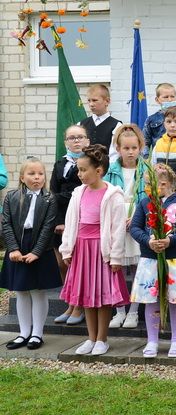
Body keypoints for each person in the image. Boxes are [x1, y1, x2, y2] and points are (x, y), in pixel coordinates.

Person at [59, 145, 131, 356]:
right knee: (86, 295)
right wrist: (67, 249)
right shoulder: (77, 193)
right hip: (82, 248)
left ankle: (102, 339)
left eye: (83, 170)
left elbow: (117, 228)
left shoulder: (113, 195)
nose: (79, 174)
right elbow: (71, 221)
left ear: (98, 171)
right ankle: (90, 338)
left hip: (102, 251)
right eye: (78, 170)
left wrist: (116, 255)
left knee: (102, 295)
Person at [130, 164, 176, 358]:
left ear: (170, 184)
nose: (154, 189)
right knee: (152, 301)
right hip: (151, 259)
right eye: (148, 184)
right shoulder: (144, 203)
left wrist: (171, 240)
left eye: (159, 184)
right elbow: (135, 228)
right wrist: (148, 240)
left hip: (175, 260)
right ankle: (152, 340)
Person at [1, 158, 62, 350]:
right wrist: (13, 249)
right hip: (18, 246)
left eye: (40, 174)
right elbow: (6, 224)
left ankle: (37, 333)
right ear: (22, 177)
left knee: (38, 292)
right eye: (31, 174)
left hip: (40, 248)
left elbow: (48, 226)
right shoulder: (11, 197)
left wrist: (36, 252)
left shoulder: (49, 199)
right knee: (21, 291)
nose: (36, 177)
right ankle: (23, 333)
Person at [104, 125, 149, 329]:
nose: (130, 152)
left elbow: (151, 198)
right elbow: (105, 197)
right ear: (118, 148)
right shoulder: (111, 170)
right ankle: (119, 310)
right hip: (117, 222)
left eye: (134, 147)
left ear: (140, 147)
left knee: (137, 269)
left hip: (138, 222)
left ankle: (133, 312)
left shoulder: (146, 170)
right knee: (117, 268)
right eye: (126, 148)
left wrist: (137, 219)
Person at [51, 125, 89, 325]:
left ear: (87, 140)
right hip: (60, 219)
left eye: (80, 137)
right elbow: (52, 194)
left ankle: (79, 306)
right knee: (61, 264)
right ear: (65, 141)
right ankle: (70, 302)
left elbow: (81, 191)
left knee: (76, 264)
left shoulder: (89, 164)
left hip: (80, 218)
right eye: (72, 137)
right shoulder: (59, 164)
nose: (76, 141)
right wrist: (58, 221)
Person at [142, 82, 176, 155]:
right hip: (160, 157)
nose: (170, 100)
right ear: (157, 100)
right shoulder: (151, 119)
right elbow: (145, 142)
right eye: (166, 97)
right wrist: (147, 159)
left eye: (172, 96)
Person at [78, 84, 122, 163]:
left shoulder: (116, 126)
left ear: (107, 101)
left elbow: (114, 155)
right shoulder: (81, 125)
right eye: (89, 101)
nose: (91, 104)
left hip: (106, 171)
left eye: (95, 100)